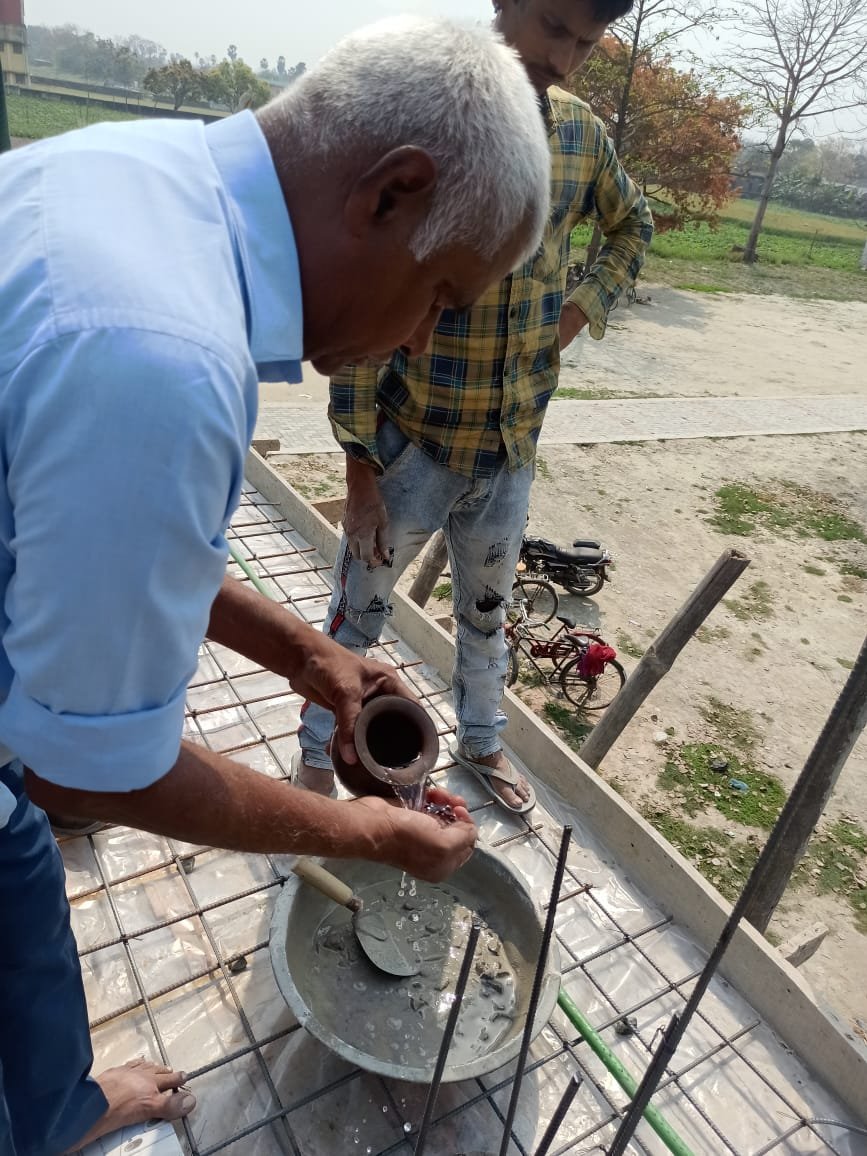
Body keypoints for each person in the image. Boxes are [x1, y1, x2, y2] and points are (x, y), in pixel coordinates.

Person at [0, 18, 551, 1155]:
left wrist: (309, 655)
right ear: (391, 194)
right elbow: (87, 767)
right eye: (442, 297)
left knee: (16, 870)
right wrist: (365, 835)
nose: (422, 339)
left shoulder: (132, 177)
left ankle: (56, 1108)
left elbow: (96, 532)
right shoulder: (162, 359)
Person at [296, 0, 655, 814]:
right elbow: (364, 306)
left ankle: (482, 740)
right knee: (358, 615)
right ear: (504, 4)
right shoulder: (429, 133)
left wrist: (577, 311)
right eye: (553, 28)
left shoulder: (580, 136)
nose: (563, 59)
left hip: (511, 448)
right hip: (410, 450)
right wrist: (359, 474)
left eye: (586, 44)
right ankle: (317, 756)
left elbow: (632, 228)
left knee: (487, 615)